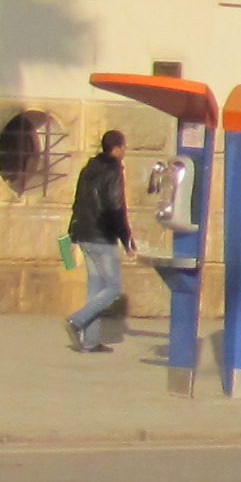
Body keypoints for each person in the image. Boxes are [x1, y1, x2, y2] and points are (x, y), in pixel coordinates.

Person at [66, 128, 134, 352]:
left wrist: (73, 232)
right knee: (113, 289)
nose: (124, 151)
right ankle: (77, 321)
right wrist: (126, 238)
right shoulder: (113, 170)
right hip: (102, 236)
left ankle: (91, 341)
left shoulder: (89, 168)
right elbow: (116, 207)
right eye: (123, 147)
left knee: (95, 288)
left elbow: (78, 200)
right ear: (117, 148)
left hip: (84, 234)